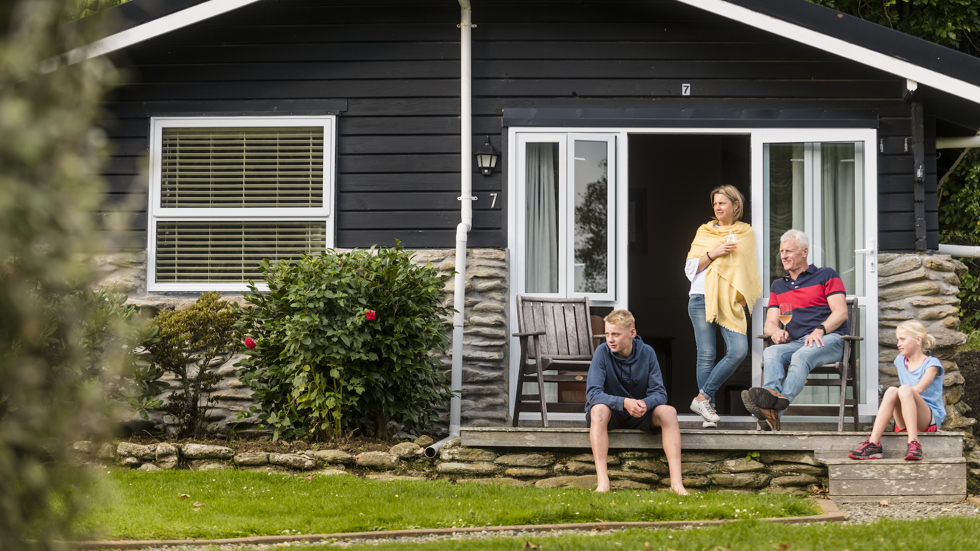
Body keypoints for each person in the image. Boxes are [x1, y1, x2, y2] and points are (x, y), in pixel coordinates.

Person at [741, 229, 849, 431]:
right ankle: (771, 396)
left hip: (831, 339)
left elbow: (841, 313)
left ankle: (771, 409)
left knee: (801, 357)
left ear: (804, 251)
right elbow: (770, 323)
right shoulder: (778, 286)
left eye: (789, 251)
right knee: (771, 350)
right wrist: (775, 331)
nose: (783, 255)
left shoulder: (826, 275)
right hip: (799, 342)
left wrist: (820, 329)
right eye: (782, 251)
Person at [586, 310, 688, 495]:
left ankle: (677, 484)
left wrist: (644, 404)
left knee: (669, 412)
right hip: (611, 413)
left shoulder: (647, 352)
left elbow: (659, 393)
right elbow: (593, 394)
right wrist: (624, 402)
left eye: (616, 334)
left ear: (632, 333)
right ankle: (603, 483)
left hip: (640, 412)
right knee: (598, 410)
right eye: (607, 334)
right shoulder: (602, 352)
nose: (610, 339)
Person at [685, 185, 762, 428]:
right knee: (706, 355)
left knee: (738, 350)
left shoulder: (745, 233)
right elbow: (689, 270)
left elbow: (748, 269)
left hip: (729, 300)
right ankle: (710, 411)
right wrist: (713, 253)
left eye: (723, 203)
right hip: (700, 297)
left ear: (735, 206)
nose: (718, 208)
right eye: (715, 204)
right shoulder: (704, 231)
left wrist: (745, 295)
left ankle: (702, 397)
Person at [849, 321, 945, 461]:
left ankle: (913, 443)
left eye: (902, 339)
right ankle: (873, 444)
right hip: (905, 420)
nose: (898, 344)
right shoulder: (899, 360)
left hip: (928, 420)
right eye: (897, 340)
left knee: (904, 389)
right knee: (892, 391)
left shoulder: (932, 364)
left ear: (918, 340)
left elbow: (919, 389)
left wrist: (903, 392)